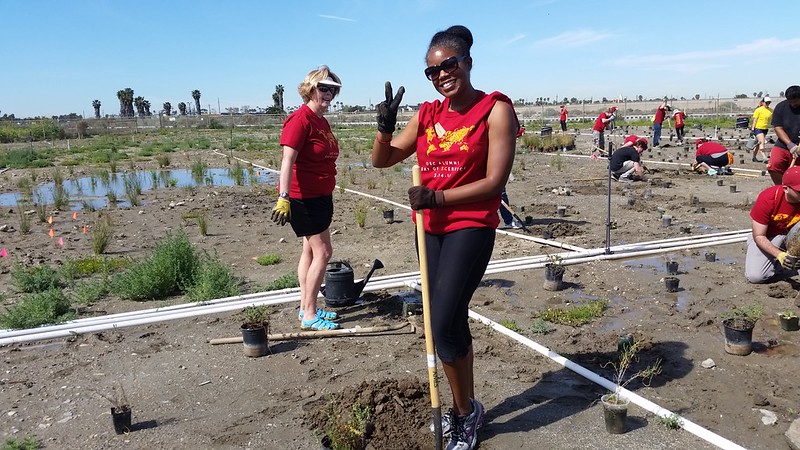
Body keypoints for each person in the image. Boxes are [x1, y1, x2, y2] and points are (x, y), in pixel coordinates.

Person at [371, 25, 519, 450]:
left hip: (470, 225)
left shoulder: (495, 110)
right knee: (448, 323)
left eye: (448, 65)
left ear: (467, 63)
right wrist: (384, 127)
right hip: (430, 230)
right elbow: (382, 160)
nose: (441, 75)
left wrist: (437, 196)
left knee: (439, 323)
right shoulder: (428, 114)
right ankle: (469, 406)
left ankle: (463, 414)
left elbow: (494, 183)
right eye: (432, 71)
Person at [271, 66, 343, 331]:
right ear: (311, 89)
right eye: (324, 88)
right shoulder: (299, 120)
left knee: (309, 250)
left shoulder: (321, 121)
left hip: (321, 196)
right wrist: (284, 197)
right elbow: (287, 161)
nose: (329, 94)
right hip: (304, 199)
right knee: (323, 252)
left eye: (333, 90)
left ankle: (305, 308)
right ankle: (310, 313)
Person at [745, 166, 800, 283]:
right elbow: (759, 235)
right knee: (756, 276)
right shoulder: (768, 198)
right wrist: (779, 255)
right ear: (786, 188)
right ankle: (784, 264)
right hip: (770, 237)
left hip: (792, 235)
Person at [767, 86, 800, 185]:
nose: (793, 104)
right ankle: (782, 189)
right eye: (790, 101)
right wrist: (790, 145)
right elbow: (778, 127)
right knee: (774, 164)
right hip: (784, 145)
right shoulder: (781, 107)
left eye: (796, 101)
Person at [751, 96, 773, 162]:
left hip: (765, 129)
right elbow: (755, 120)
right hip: (758, 128)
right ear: (763, 102)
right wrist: (752, 129)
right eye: (766, 102)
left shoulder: (771, 111)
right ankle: (764, 157)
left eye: (769, 103)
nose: (767, 104)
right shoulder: (758, 110)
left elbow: (772, 119)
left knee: (758, 144)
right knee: (762, 142)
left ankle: (754, 157)